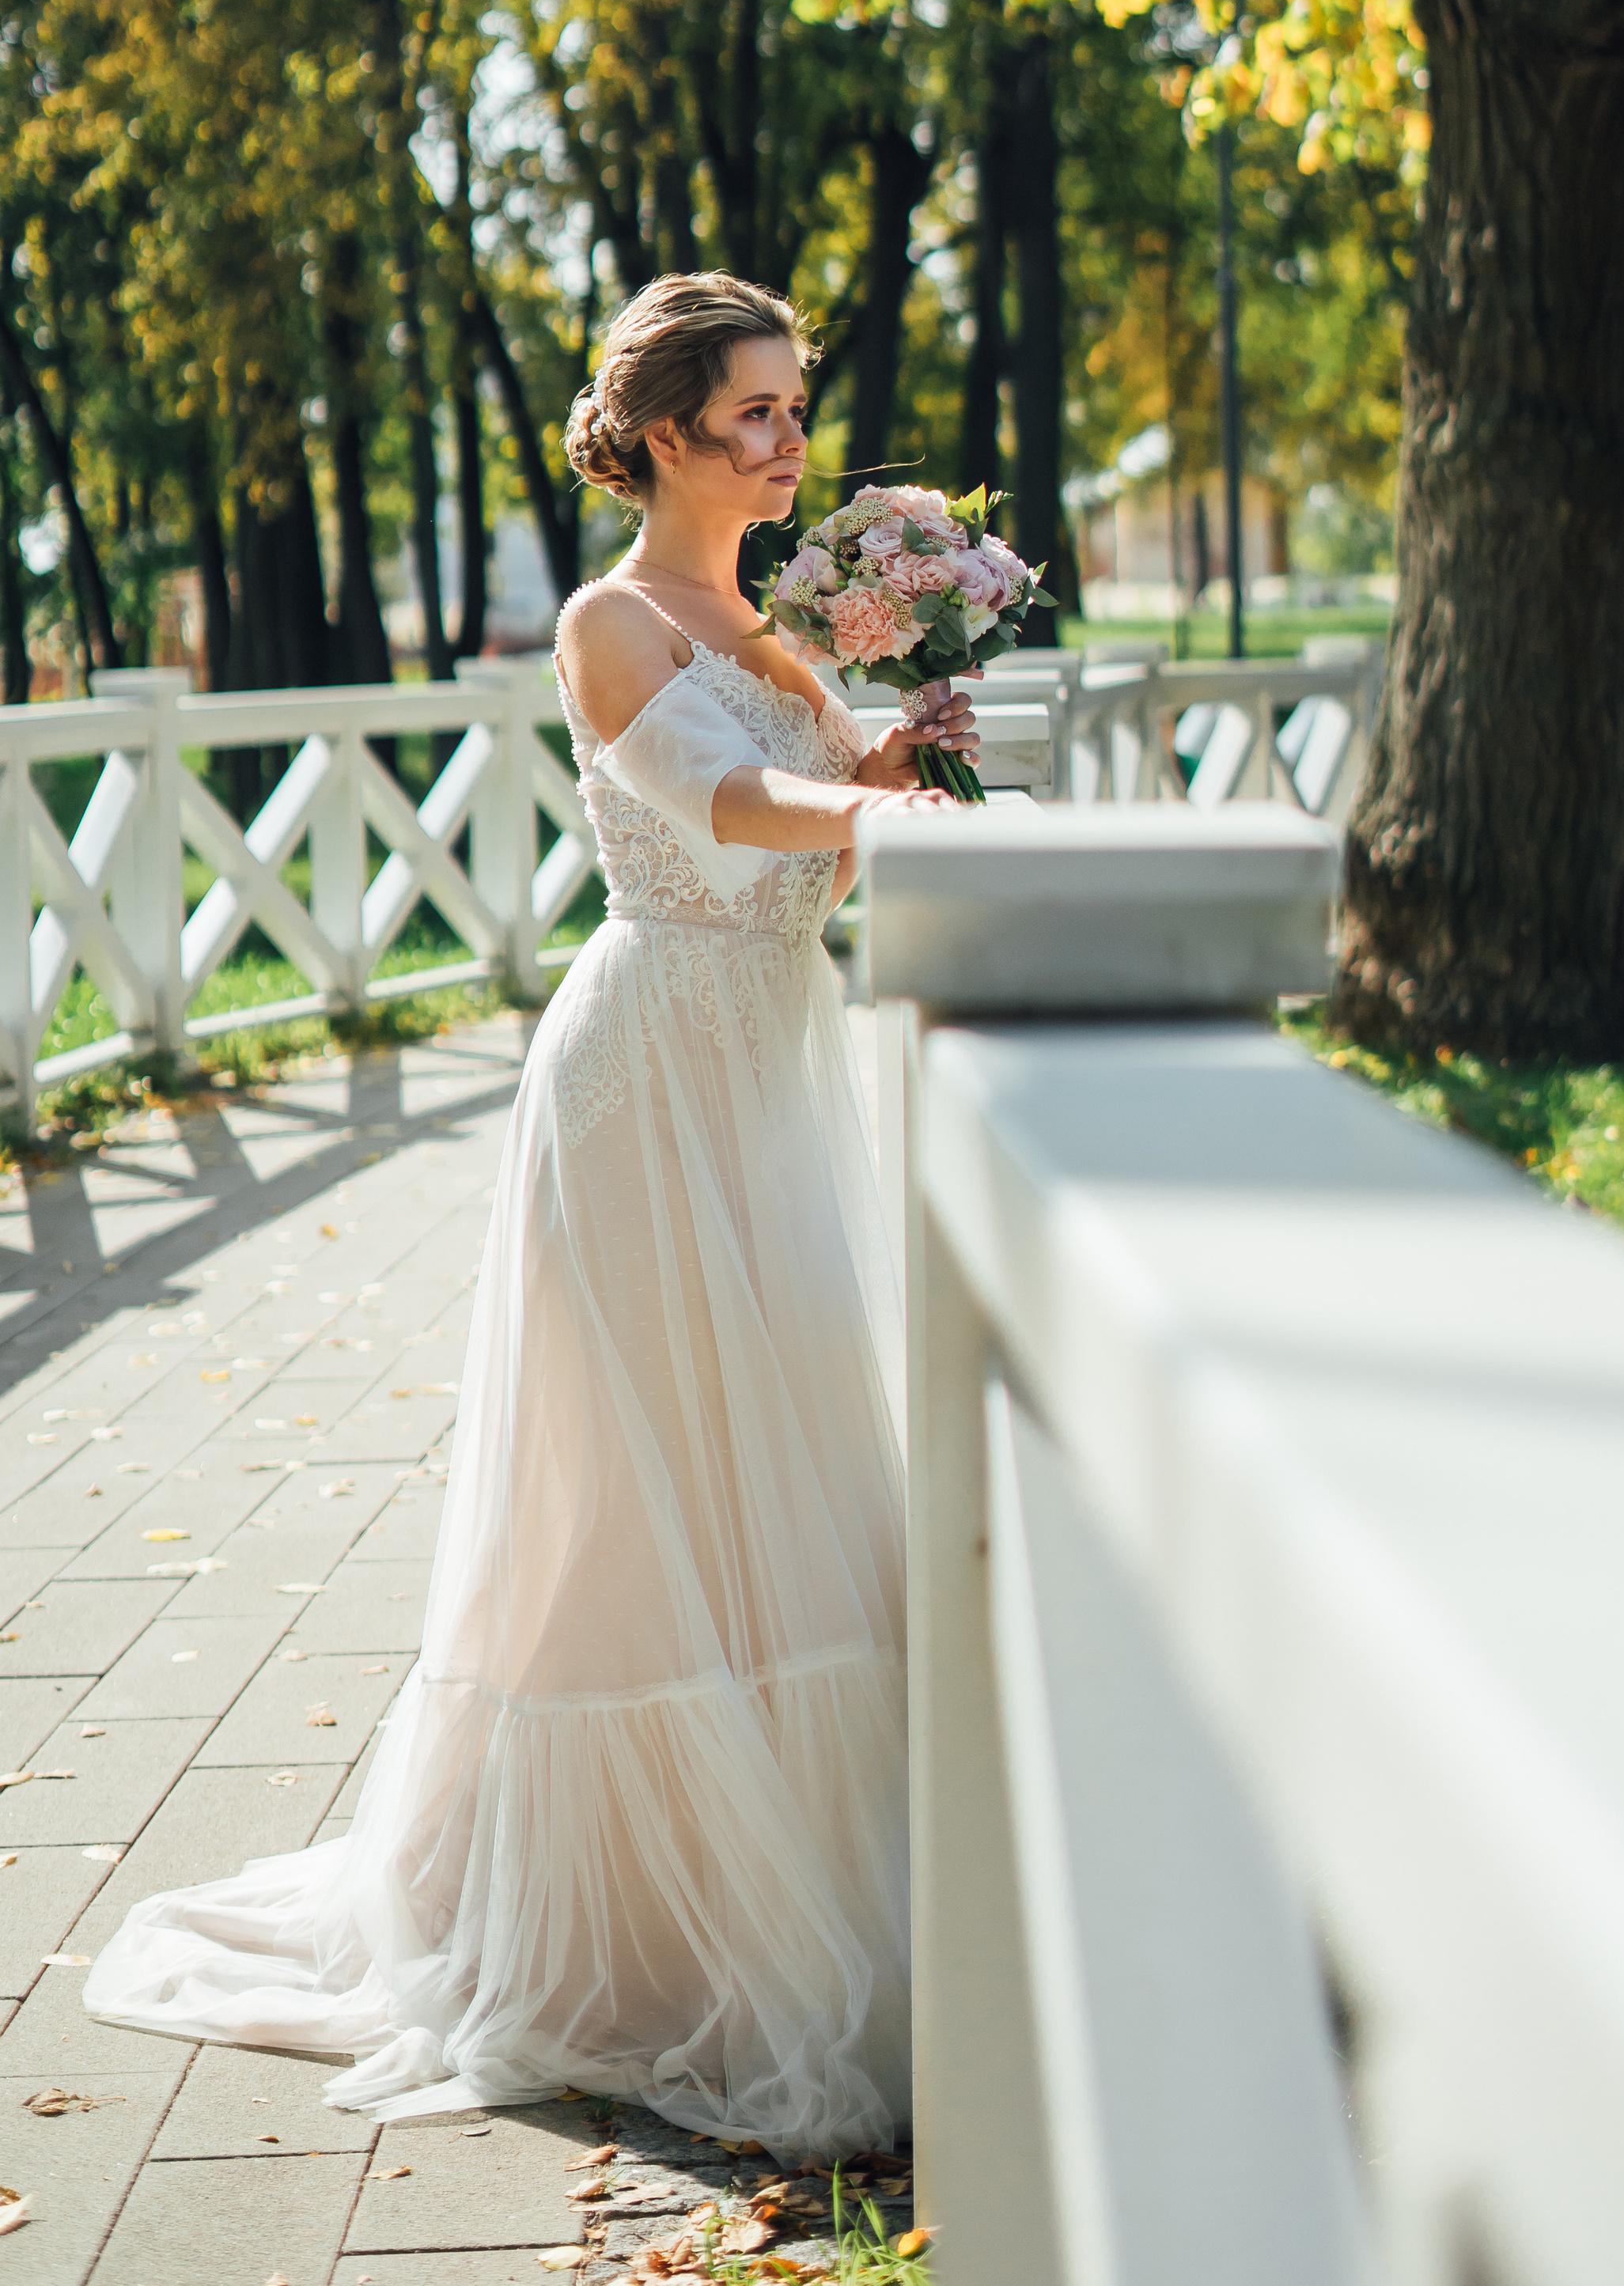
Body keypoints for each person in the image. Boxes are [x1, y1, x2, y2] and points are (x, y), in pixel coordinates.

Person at [84, 272, 976, 2155]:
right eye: (750, 410)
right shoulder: (609, 618)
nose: (786, 437)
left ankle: (797, 1872)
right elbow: (721, 802)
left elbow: (811, 774)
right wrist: (859, 805)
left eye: (793, 403)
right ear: (659, 432)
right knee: (642, 1490)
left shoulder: (779, 614)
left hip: (769, 1070)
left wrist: (896, 747)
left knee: (788, 1468)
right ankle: (626, 1920)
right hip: (647, 1075)